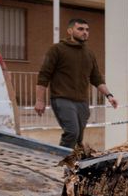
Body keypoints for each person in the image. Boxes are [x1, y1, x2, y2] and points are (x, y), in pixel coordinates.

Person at [34, 18, 118, 148]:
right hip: (62, 99)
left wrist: (109, 95)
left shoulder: (89, 54)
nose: (85, 32)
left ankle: (74, 165)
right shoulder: (57, 50)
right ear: (70, 31)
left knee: (78, 138)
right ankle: (61, 161)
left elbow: (96, 78)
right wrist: (39, 100)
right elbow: (44, 76)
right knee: (72, 132)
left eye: (87, 30)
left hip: (82, 102)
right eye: (80, 29)